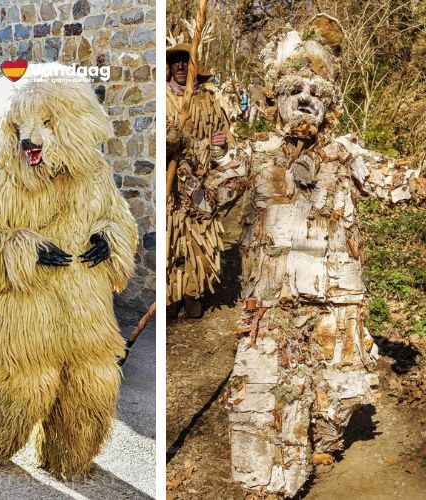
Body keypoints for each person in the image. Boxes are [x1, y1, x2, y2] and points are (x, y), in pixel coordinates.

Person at [188, 14, 426, 496]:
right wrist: (192, 159)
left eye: (316, 93)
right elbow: (204, 202)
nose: (304, 100)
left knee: (337, 391)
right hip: (270, 301)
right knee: (263, 396)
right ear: (276, 100)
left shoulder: (345, 153)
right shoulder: (256, 153)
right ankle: (273, 483)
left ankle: (325, 440)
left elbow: (398, 181)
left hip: (336, 298)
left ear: (329, 106)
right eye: (294, 91)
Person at [166, 42, 235, 319]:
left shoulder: (208, 102)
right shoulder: (162, 99)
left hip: (200, 184)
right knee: (171, 241)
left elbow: (224, 144)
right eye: (176, 61)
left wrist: (219, 144)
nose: (181, 65)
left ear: (195, 68)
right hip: (171, 185)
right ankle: (171, 295)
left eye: (186, 61)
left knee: (200, 239)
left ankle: (193, 293)